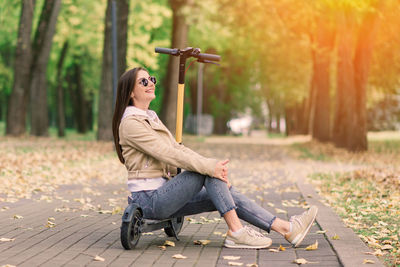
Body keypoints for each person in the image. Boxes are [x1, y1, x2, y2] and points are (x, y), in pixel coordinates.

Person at [112, 67, 318, 249]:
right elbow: (168, 153)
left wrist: (213, 166)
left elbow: (177, 148)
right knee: (206, 173)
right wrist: (209, 167)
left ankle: (287, 229)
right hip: (149, 200)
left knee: (221, 188)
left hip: (164, 194)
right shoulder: (131, 123)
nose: (151, 84)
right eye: (143, 81)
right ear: (130, 92)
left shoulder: (151, 118)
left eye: (152, 79)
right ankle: (237, 232)